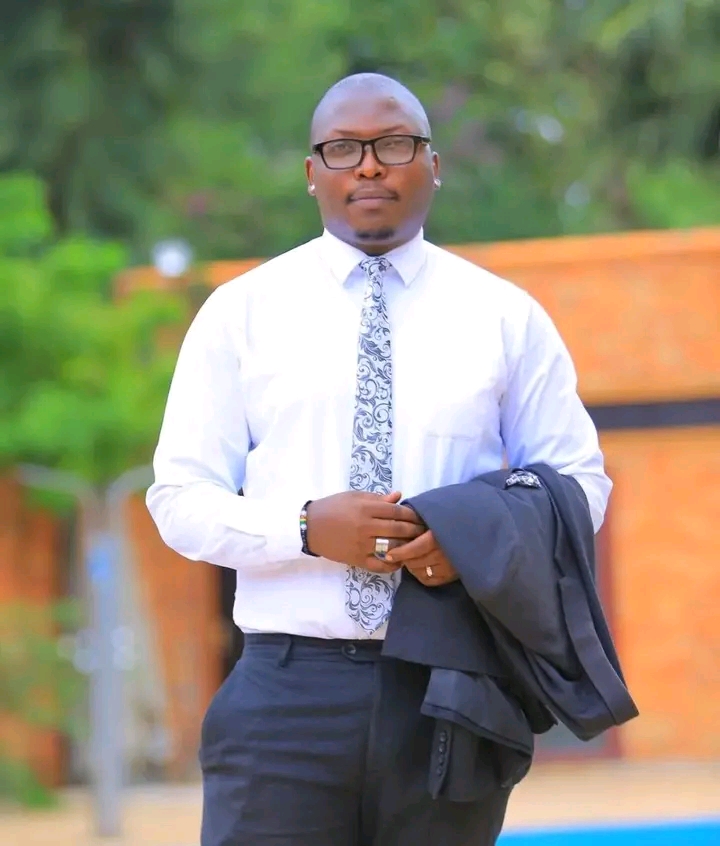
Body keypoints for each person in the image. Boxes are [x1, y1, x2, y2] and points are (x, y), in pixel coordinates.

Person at [147, 72, 612, 846]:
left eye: (394, 145)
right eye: (343, 149)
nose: (368, 165)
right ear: (312, 173)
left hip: (451, 689)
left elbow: (580, 485)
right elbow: (178, 498)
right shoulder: (241, 313)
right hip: (285, 696)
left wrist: (475, 542)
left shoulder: (504, 317)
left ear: (433, 165)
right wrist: (304, 529)